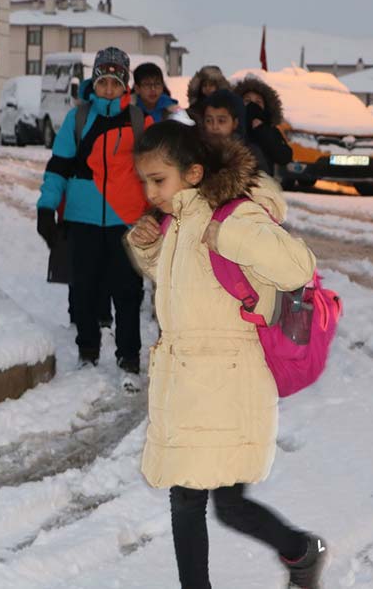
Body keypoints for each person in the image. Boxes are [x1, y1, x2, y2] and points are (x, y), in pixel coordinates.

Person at [126, 120, 327, 589]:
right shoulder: (177, 220)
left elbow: (299, 266)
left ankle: (300, 550)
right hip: (189, 385)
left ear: (194, 173)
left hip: (227, 385)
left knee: (205, 501)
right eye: (145, 181)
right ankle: (301, 551)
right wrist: (152, 253)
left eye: (159, 179)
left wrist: (234, 236)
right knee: (206, 501)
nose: (150, 191)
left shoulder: (234, 217)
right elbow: (190, 291)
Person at [36, 47, 152, 390]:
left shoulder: (140, 122)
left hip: (126, 220)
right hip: (82, 218)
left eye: (115, 83)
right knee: (84, 288)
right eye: (103, 82)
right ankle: (88, 351)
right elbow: (57, 166)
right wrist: (46, 207)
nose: (108, 89)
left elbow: (156, 172)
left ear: (125, 86)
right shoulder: (78, 118)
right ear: (94, 82)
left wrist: (158, 214)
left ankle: (128, 357)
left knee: (128, 292)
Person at [234, 75, 294, 174]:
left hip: (264, 185)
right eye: (247, 101)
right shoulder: (231, 128)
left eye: (258, 102)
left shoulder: (270, 130)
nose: (252, 106)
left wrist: (263, 131)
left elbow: (284, 157)